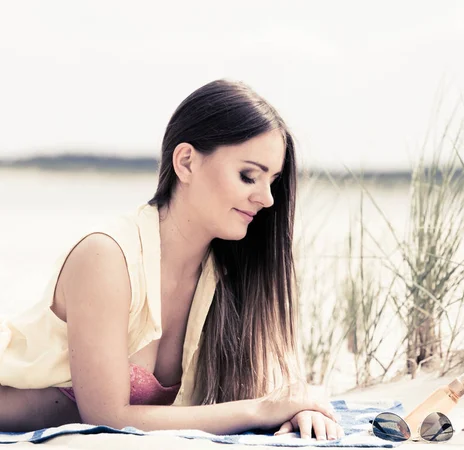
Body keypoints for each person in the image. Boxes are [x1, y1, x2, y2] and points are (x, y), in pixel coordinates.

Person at [0, 79, 343, 441]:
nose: (267, 199)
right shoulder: (106, 257)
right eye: (248, 176)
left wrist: (301, 405)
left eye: (272, 181)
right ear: (186, 162)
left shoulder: (228, 274)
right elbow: (106, 417)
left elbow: (276, 389)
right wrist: (260, 409)